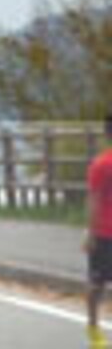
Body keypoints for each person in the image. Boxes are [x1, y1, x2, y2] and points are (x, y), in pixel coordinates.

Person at [85, 111, 112, 349]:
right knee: (97, 284)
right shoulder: (102, 164)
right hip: (105, 233)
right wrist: (91, 234)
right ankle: (93, 328)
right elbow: (94, 199)